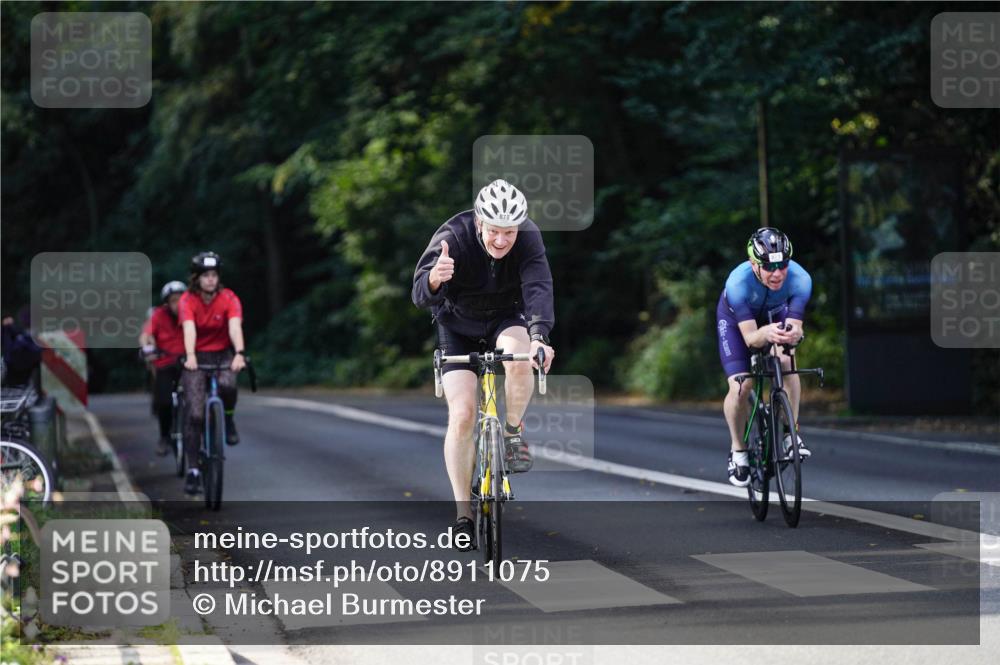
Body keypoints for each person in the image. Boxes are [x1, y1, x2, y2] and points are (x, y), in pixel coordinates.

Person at [412, 179, 555, 549]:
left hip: (506, 317)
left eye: (510, 232)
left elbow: (538, 286)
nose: (502, 241)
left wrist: (539, 336)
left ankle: (511, 435)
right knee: (461, 415)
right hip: (457, 325)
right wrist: (432, 280)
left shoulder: (528, 237)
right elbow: (418, 294)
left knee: (520, 360)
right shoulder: (453, 237)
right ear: (479, 223)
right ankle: (463, 515)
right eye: (495, 231)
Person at [717, 227, 812, 487]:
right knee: (741, 385)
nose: (777, 273)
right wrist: (766, 333)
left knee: (786, 361)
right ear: (753, 264)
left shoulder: (801, 280)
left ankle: (790, 435)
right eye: (769, 267)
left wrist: (793, 334)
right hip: (737, 322)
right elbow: (750, 339)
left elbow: (795, 325)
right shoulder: (737, 284)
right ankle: (738, 451)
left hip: (774, 315)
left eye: (783, 265)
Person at [178, 252, 246, 495]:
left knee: (228, 386)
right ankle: (194, 470)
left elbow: (234, 327)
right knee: (195, 414)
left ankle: (227, 420)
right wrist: (191, 356)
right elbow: (189, 329)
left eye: (214, 275)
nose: (210, 280)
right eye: (205, 275)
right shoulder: (188, 300)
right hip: (196, 357)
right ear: (197, 278)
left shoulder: (229, 298)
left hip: (223, 355)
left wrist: (239, 353)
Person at [139, 281, 187, 456]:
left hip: (188, 362)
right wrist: (146, 347)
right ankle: (164, 436)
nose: (177, 304)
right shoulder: (158, 315)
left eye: (180, 300)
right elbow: (146, 334)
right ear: (167, 302)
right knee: (164, 401)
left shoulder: (190, 314)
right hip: (165, 362)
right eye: (173, 300)